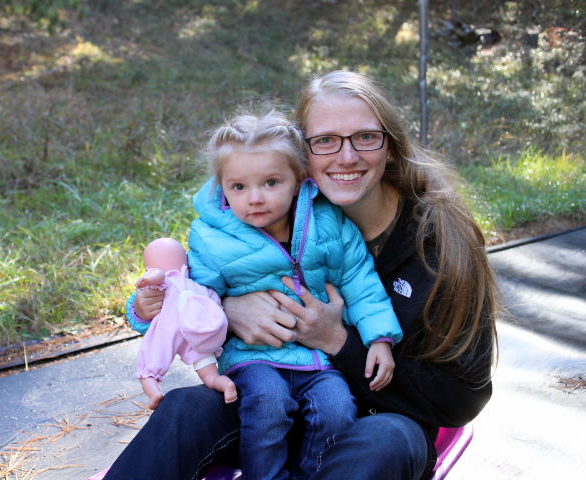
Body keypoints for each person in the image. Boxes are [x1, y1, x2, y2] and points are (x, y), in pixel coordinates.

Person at [104, 69, 498, 480]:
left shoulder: (440, 243)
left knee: (383, 441)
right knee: (185, 408)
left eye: (366, 137)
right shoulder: (264, 213)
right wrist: (227, 307)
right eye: (325, 140)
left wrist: (336, 340)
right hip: (269, 402)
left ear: (391, 147)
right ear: (300, 156)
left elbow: (462, 398)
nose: (347, 157)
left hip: (381, 418)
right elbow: (197, 286)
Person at [128, 109, 402, 480]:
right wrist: (147, 310)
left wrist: (379, 337)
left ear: (299, 180)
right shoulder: (212, 239)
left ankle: (311, 473)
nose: (255, 198)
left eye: (271, 183)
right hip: (251, 358)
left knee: (338, 409)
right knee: (268, 405)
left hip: (317, 359)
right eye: (239, 187)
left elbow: (359, 280)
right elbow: (191, 298)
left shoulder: (328, 224)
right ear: (222, 188)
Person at [134, 237, 236, 410]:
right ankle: (223, 384)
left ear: (149, 269)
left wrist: (147, 280)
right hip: (196, 331)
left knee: (149, 366)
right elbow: (215, 305)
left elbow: (157, 275)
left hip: (170, 329)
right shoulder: (198, 287)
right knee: (209, 373)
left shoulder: (163, 282)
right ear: (187, 266)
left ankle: (154, 393)